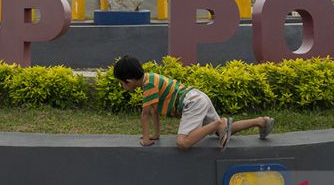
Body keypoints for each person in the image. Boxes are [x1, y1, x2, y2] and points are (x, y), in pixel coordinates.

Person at [113, 55, 274, 150]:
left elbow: (145, 114)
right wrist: (155, 135)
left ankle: (218, 124)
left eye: (121, 83)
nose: (122, 86)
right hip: (197, 97)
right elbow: (154, 111)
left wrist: (146, 140)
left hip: (191, 103)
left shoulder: (148, 84)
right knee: (221, 133)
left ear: (128, 80)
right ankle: (261, 121)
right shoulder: (150, 79)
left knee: (183, 143)